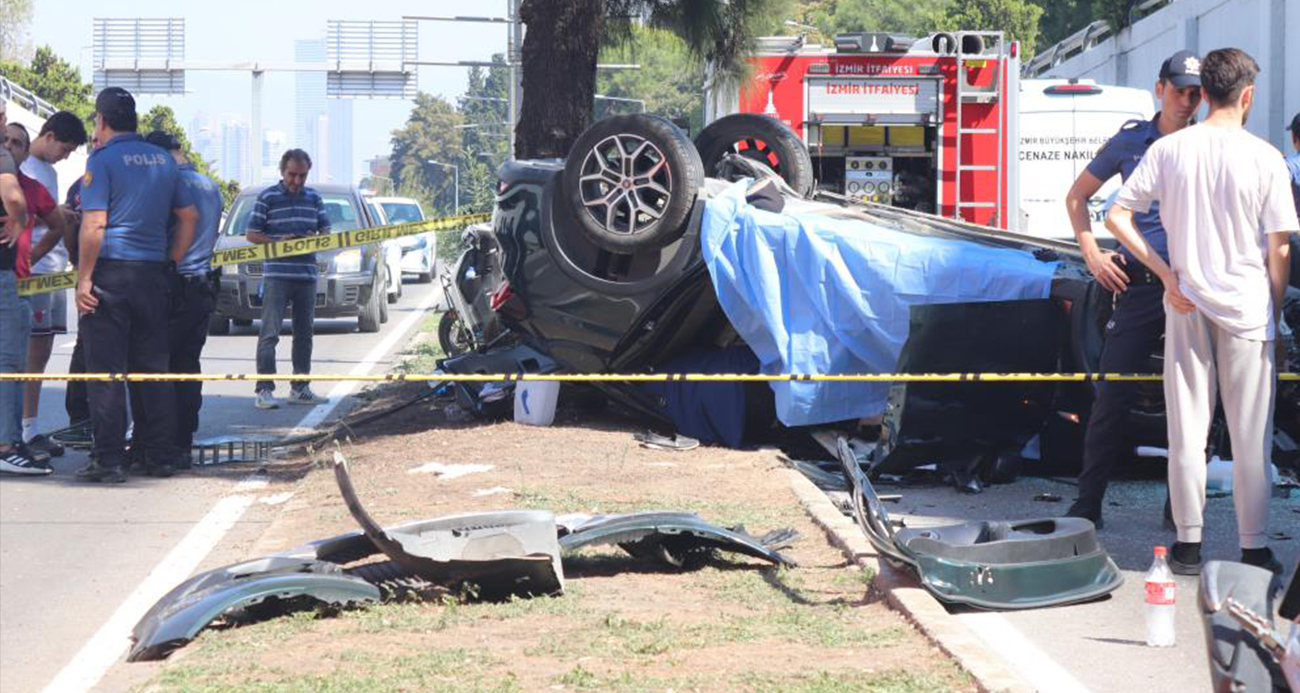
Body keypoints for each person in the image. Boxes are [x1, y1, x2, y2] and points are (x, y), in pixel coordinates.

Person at [1106, 48, 1300, 575]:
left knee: (1186, 429)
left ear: (1204, 92)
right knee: (1249, 435)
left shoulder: (1171, 150)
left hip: (1185, 301)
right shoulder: (1264, 158)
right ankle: (1253, 547)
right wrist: (1275, 312)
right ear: (1247, 95)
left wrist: (1168, 275)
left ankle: (1188, 545)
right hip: (1246, 306)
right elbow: (1279, 246)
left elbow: (1117, 215)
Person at [1061, 50, 1204, 528]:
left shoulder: (1209, 143)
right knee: (1112, 391)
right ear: (1160, 88)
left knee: (1195, 401)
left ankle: (1181, 508)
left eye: (1196, 93)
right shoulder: (1131, 142)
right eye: (1180, 90)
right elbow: (1077, 197)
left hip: (1196, 285)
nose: (1188, 101)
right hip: (1143, 285)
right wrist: (1092, 254)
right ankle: (1088, 502)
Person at [74, 87, 197, 482]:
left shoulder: (102, 160)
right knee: (153, 369)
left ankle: (108, 461)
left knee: (106, 371)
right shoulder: (163, 160)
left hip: (111, 273)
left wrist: (84, 280)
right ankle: (160, 456)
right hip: (151, 275)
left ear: (101, 121)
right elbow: (189, 217)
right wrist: (169, 262)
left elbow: (94, 224)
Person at [127, 131, 223, 466]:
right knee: (187, 365)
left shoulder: (166, 187)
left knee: (154, 367)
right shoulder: (209, 186)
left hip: (172, 286)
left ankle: (156, 445)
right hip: (203, 287)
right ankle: (183, 441)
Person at [19, 111, 86, 456]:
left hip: (54, 269)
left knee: (40, 353)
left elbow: (47, 215)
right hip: (36, 271)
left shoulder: (48, 171)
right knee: (27, 353)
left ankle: (28, 427)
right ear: (49, 135)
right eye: (66, 147)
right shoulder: (24, 169)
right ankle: (20, 430)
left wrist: (60, 213)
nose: (66, 155)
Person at [247, 149, 330, 409]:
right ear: (282, 172)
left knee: (304, 334)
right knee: (269, 333)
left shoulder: (314, 198)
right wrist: (277, 242)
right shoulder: (268, 197)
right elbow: (252, 233)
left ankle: (300, 387)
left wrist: (312, 239)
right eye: (292, 175)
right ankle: (264, 389)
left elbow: (327, 230)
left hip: (306, 275)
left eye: (302, 176)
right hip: (277, 276)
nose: (296, 181)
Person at [0, 101, 36, 475]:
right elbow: (13, 198)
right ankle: (7, 444)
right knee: (8, 360)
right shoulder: (2, 159)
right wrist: (19, 220)